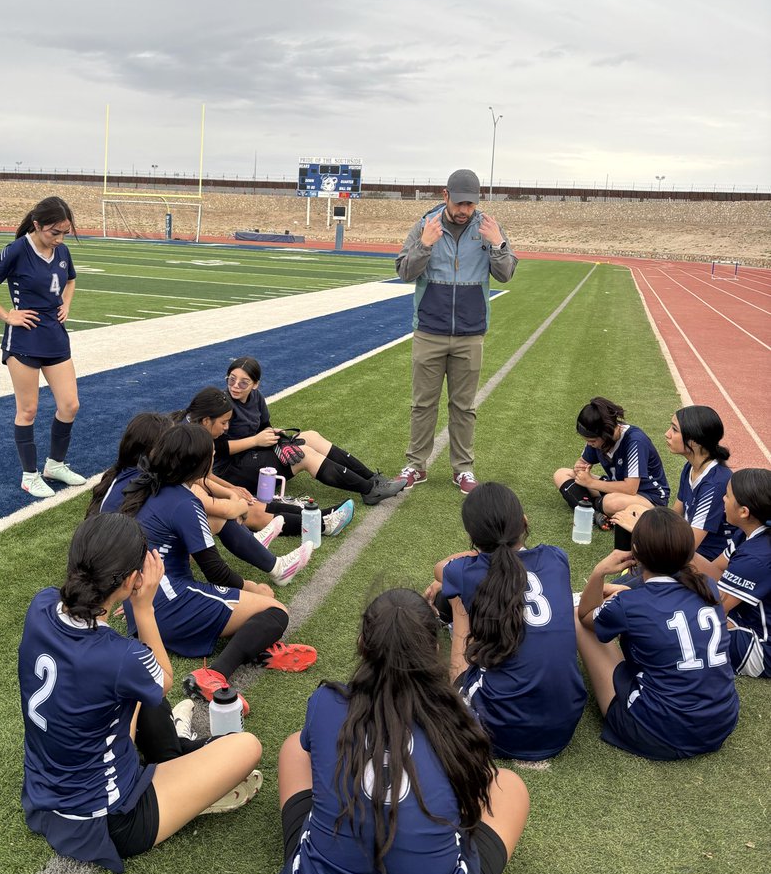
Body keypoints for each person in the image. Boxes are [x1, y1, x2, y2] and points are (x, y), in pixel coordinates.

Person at [260, 589, 530, 874]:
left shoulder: (326, 704)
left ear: (361, 644)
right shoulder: (459, 723)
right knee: (511, 788)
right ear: (432, 651)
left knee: (294, 747)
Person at [18, 511, 263, 874]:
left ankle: (177, 763)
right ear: (134, 579)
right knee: (247, 746)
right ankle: (189, 786)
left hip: (42, 792)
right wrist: (143, 607)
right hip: (110, 818)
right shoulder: (123, 657)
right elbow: (162, 679)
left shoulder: (40, 606)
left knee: (132, 696)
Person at [111, 423, 317, 709]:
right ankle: (215, 674)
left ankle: (260, 648)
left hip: (147, 605)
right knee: (274, 609)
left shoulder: (150, 486)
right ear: (198, 464)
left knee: (255, 606)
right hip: (171, 606)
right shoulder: (184, 501)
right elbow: (215, 571)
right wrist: (253, 587)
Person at [433, 483, 586, 760]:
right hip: (564, 723)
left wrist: (468, 567)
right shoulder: (556, 558)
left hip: (500, 730)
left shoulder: (465, 572)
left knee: (456, 605)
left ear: (472, 537)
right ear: (524, 522)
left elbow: (440, 569)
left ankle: (460, 692)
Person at [576, 508, 739, 760]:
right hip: (721, 722)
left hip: (662, 732)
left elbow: (586, 616)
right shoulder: (707, 584)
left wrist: (599, 573)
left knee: (579, 620)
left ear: (636, 551)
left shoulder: (632, 604)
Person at [395, 169, 517, 494]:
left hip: (470, 333)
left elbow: (506, 274)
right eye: (460, 203)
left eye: (471, 204)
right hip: (429, 331)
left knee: (464, 407)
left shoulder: (488, 228)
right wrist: (424, 245)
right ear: (445, 195)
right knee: (423, 404)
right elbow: (404, 271)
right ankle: (415, 466)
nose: (465, 210)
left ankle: (462, 469)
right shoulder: (426, 225)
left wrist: (498, 244)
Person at [91, 409, 312, 586]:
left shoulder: (132, 472)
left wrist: (230, 491)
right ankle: (275, 566)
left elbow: (199, 481)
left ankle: (253, 545)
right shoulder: (155, 482)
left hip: (122, 557)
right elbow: (220, 510)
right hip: (127, 567)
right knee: (216, 519)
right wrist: (240, 503)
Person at [0, 196, 85, 498]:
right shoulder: (17, 249)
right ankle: (29, 475)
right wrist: (7, 314)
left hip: (55, 337)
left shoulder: (62, 251)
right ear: (37, 225)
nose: (59, 239)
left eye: (64, 233)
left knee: (70, 405)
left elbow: (70, 280)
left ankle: (54, 465)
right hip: (24, 339)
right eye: (53, 232)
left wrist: (66, 305)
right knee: (28, 409)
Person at [217, 357, 404, 506]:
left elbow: (264, 425)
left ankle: (373, 478)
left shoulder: (256, 397)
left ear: (255, 384)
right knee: (305, 455)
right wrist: (256, 440)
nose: (235, 386)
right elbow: (216, 448)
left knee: (310, 436)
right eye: (231, 380)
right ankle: (370, 490)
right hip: (229, 469)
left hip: (252, 454)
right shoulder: (222, 404)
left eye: (243, 382)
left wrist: (273, 435)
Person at [170, 387, 354, 539]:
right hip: (177, 503)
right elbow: (198, 481)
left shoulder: (190, 430)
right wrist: (230, 492)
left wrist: (232, 488)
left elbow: (201, 476)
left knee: (249, 502)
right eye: (224, 423)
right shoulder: (189, 442)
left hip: (183, 493)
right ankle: (322, 524)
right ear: (206, 420)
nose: (226, 429)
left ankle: (321, 517)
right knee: (250, 511)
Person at [695, 467, 771, 679]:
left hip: (761, 647)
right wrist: (678, 550)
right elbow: (716, 569)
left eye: (727, 495)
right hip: (746, 617)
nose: (723, 498)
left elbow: (714, 607)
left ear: (744, 511)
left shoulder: (757, 557)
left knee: (687, 629)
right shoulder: (750, 532)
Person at [553, 397, 670, 526]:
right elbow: (583, 462)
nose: (589, 444)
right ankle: (596, 515)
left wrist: (591, 482)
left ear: (606, 434)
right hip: (615, 488)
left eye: (592, 441)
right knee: (562, 474)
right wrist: (580, 469)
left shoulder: (635, 441)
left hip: (649, 498)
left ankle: (589, 507)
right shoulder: (599, 439)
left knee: (611, 502)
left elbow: (630, 488)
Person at [665, 405, 734, 559]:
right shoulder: (691, 466)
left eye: (675, 430)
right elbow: (676, 514)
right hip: (692, 547)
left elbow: (690, 546)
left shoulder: (715, 484)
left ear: (695, 441)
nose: (667, 434)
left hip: (707, 559)